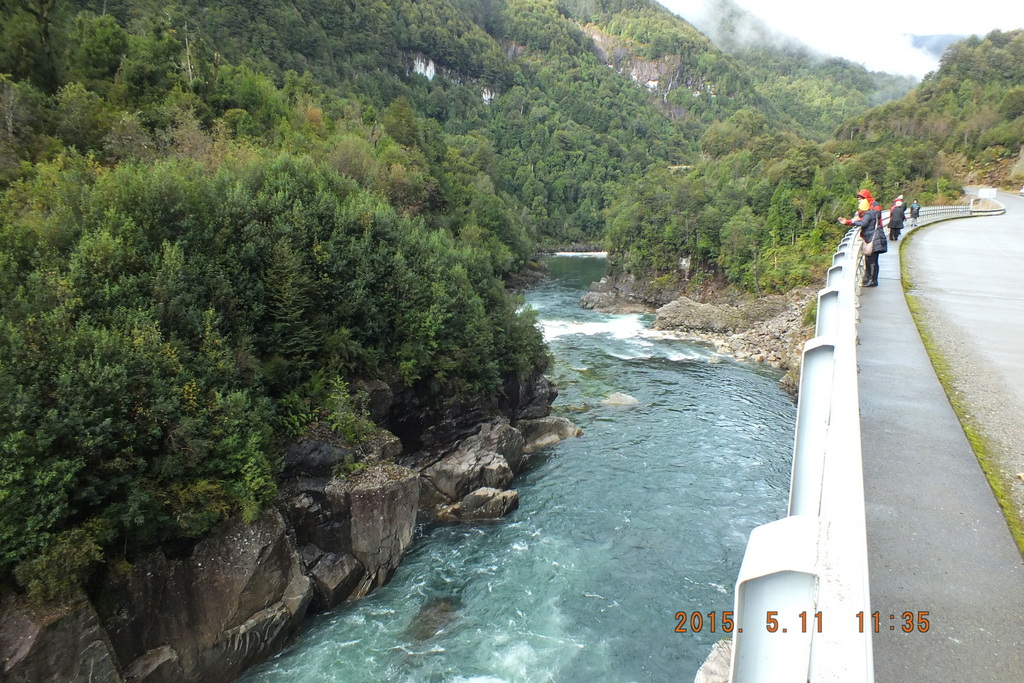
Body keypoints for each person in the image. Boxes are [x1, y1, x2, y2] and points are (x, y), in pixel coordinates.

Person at [838, 193, 887, 287]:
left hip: (874, 239)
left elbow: (863, 223)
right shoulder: (872, 212)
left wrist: (854, 222)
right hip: (876, 238)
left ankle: (872, 281)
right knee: (872, 260)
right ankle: (870, 279)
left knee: (872, 261)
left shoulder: (868, 214)